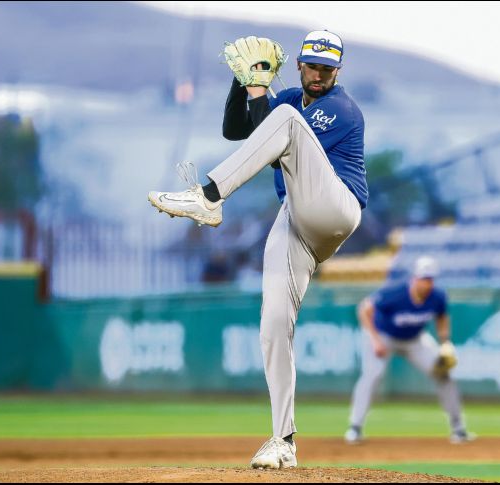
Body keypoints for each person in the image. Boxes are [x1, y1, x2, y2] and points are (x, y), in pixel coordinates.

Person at [148, 30, 367, 470]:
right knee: (273, 324)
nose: (319, 74)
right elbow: (236, 130)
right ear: (301, 64)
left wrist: (259, 90)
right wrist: (240, 81)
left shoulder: (342, 108)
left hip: (336, 208)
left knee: (285, 120)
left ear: (337, 71)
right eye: (312, 65)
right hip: (297, 218)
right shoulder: (288, 97)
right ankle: (283, 440)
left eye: (327, 68)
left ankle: (209, 197)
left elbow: (274, 141)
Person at [344, 256, 475, 445]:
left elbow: (442, 317)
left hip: (415, 340)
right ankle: (355, 428)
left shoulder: (437, 296)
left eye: (430, 279)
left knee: (444, 373)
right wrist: (375, 340)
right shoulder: (395, 293)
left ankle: (459, 430)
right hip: (384, 336)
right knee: (373, 374)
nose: (427, 283)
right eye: (423, 278)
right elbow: (364, 309)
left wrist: (445, 342)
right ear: (414, 278)